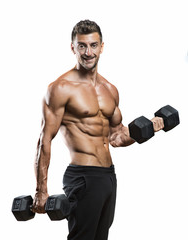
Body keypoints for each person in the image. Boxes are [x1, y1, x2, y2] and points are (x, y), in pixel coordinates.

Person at [32, 20, 164, 240]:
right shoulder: (60, 88)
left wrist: (150, 128)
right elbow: (44, 140)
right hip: (82, 177)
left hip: (108, 176)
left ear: (102, 47)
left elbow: (116, 136)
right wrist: (41, 190)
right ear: (73, 47)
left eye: (93, 45)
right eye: (82, 46)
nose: (88, 52)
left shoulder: (110, 89)